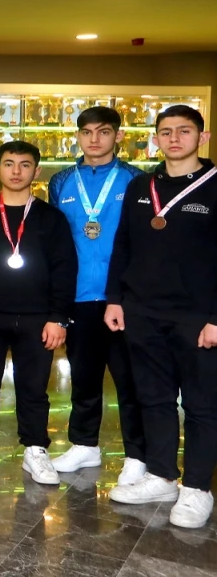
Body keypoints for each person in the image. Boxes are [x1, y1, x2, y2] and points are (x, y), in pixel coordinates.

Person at [105, 104, 217, 529]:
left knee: (202, 404)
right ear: (156, 139)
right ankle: (162, 475)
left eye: (184, 131)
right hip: (142, 311)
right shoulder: (141, 186)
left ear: (202, 138)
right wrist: (116, 298)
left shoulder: (214, 186)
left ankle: (198, 488)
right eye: (166, 131)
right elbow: (123, 245)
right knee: (153, 398)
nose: (174, 138)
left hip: (197, 317)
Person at [0, 141, 76, 485]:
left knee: (34, 386)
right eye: (8, 164)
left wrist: (58, 317)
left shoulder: (52, 218)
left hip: (37, 317)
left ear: (37, 171)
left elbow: (64, 269)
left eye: (24, 164)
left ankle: (35, 448)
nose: (16, 171)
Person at [46, 106, 145, 479]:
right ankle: (84, 445)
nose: (94, 139)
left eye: (103, 132)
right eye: (86, 132)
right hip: (79, 296)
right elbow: (57, 242)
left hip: (124, 298)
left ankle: (138, 455)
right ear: (78, 137)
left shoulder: (136, 180)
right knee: (84, 378)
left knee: (130, 380)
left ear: (118, 136)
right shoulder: (61, 182)